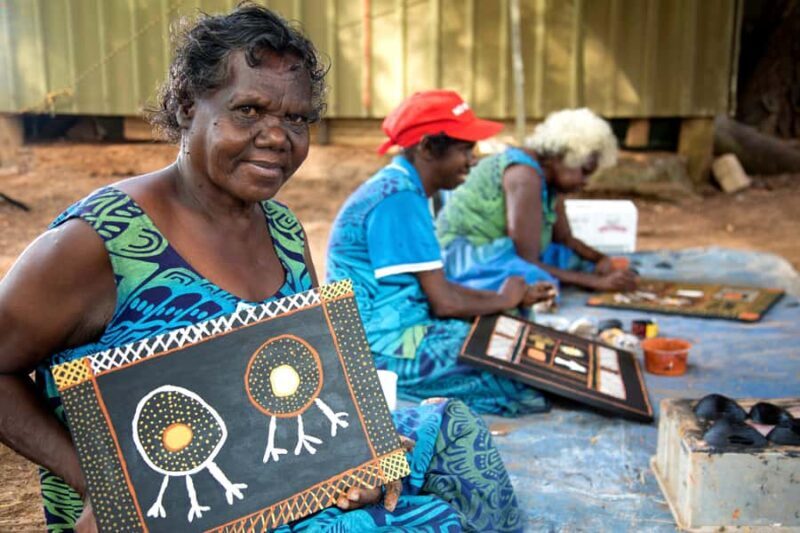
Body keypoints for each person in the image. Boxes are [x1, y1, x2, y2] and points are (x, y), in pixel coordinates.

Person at [0, 7, 523, 532]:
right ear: (187, 106)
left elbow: (319, 368)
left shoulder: (282, 231)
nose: (277, 137)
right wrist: (103, 484)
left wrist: (360, 447)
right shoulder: (101, 242)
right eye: (248, 110)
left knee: (450, 429)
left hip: (281, 461)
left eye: (296, 119)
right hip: (177, 504)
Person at [327, 90, 555, 417]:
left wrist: (510, 300)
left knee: (514, 335)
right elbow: (444, 302)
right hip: (378, 349)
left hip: (397, 331)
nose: (473, 160)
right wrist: (505, 299)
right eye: (465, 149)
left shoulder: (405, 189)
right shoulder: (399, 199)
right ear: (427, 148)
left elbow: (436, 286)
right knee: (523, 380)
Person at [437, 108, 639, 292]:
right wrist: (595, 282)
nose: (586, 182)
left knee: (573, 260)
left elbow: (565, 238)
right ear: (560, 157)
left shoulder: (550, 178)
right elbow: (526, 259)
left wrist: (600, 259)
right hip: (470, 257)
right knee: (537, 283)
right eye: (584, 172)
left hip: (509, 252)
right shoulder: (524, 176)